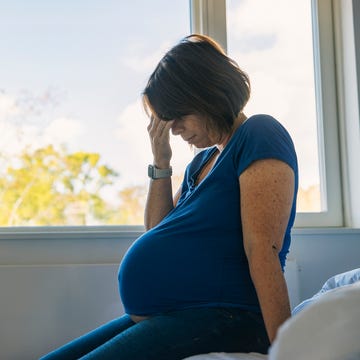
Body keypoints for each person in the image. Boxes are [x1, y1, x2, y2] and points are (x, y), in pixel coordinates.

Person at [40, 34, 298, 360]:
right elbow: (159, 231)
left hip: (230, 316)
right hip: (180, 313)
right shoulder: (202, 163)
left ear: (207, 94)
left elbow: (262, 248)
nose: (173, 128)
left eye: (178, 115)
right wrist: (161, 162)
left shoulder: (259, 134)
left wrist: (286, 350)